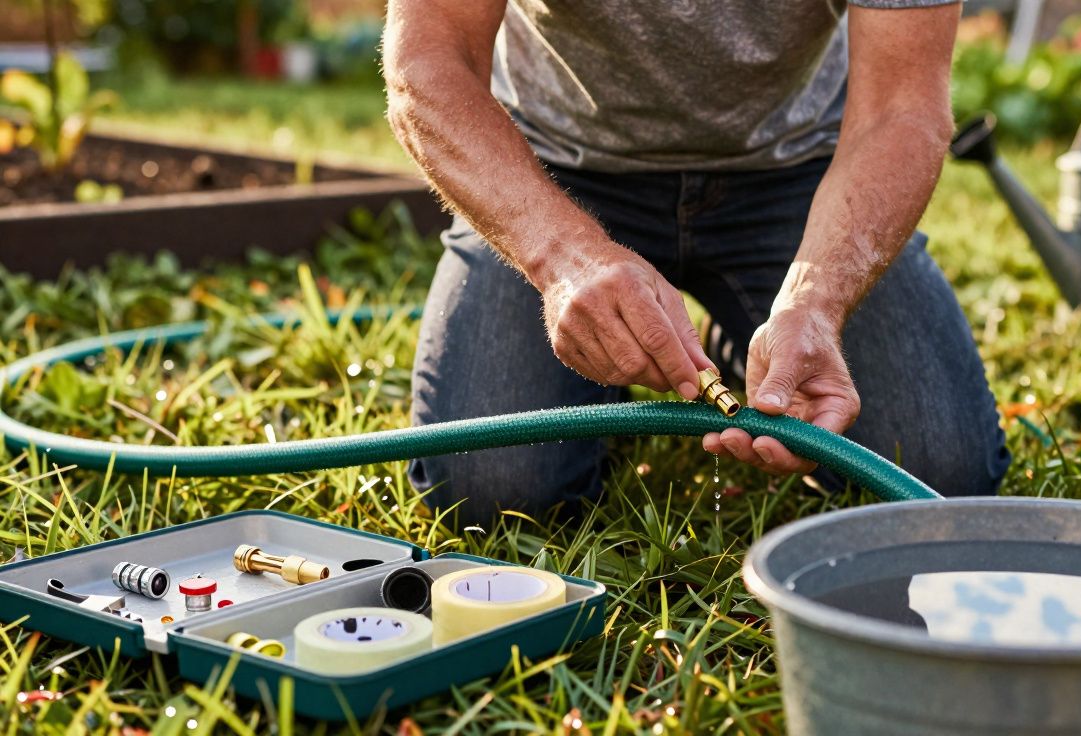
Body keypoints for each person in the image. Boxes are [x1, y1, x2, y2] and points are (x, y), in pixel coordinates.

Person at [384, 0, 1011, 524]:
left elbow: (903, 106)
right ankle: (614, 351)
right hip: (556, 173)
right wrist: (562, 259)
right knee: (489, 490)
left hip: (801, 176)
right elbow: (429, 59)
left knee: (937, 471)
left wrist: (817, 300)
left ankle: (739, 338)